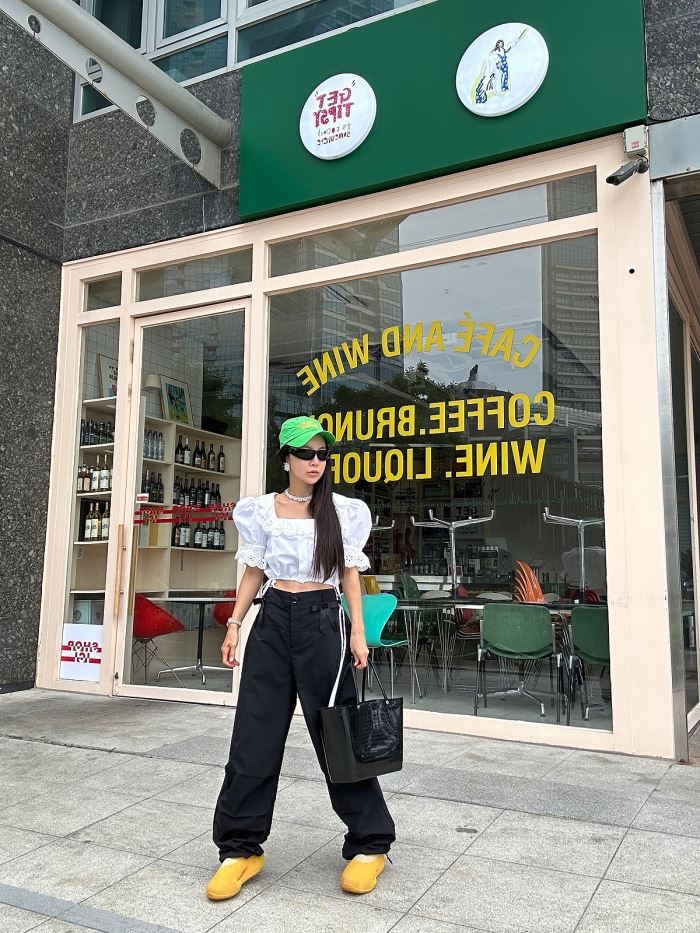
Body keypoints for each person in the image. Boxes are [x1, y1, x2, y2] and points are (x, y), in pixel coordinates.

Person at [207, 416, 395, 902]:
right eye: (306, 453)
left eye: (322, 454)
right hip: (272, 620)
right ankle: (240, 848)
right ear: (286, 458)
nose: (316, 461)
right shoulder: (260, 511)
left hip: (322, 623)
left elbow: (350, 575)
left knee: (338, 734)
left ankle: (370, 843)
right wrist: (235, 623)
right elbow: (254, 571)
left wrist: (359, 632)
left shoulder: (342, 511)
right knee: (254, 733)